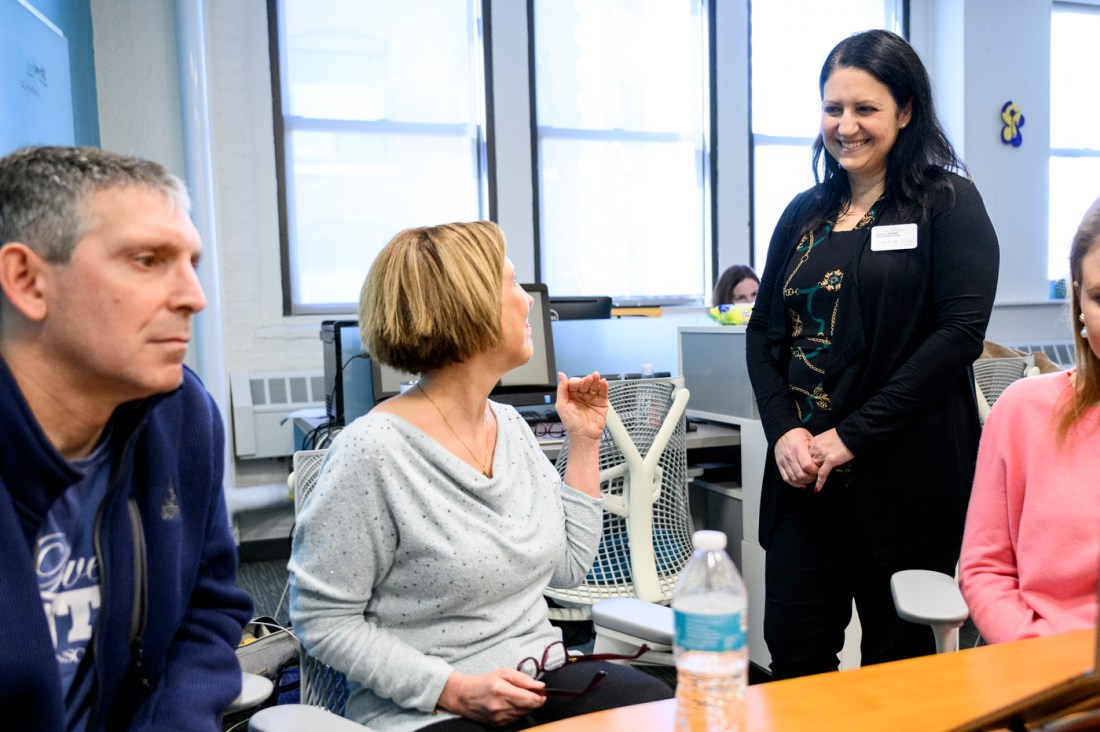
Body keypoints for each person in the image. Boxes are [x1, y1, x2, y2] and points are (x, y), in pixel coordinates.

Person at [288, 221, 672, 731]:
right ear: (467, 307)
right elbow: (322, 621)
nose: (529, 301)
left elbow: (570, 567)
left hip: (537, 680)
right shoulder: (372, 450)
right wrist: (455, 689)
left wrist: (583, 439)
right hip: (427, 709)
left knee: (654, 706)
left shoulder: (509, 426)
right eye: (512, 284)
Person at [745, 30, 999, 679]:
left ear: (905, 110)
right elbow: (765, 332)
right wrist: (786, 434)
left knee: (901, 671)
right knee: (796, 663)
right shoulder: (805, 213)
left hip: (907, 481)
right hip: (805, 482)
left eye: (866, 109)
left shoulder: (946, 203)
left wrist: (848, 437)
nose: (846, 125)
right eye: (834, 108)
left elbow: (958, 336)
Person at [0, 146, 252, 730]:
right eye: (147, 260)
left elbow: (206, 609)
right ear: (27, 280)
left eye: (192, 263)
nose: (194, 296)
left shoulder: (181, 415)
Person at [959, 197, 1100, 644]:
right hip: (1049, 683)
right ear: (1078, 302)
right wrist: (1036, 660)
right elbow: (985, 569)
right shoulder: (1024, 412)